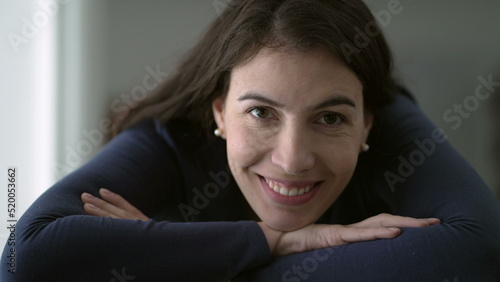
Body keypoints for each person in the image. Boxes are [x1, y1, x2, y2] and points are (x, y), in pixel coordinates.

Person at [2, 0, 499, 281]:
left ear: (370, 123)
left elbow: (475, 253)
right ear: (218, 111)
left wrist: (182, 265)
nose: (292, 159)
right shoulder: (169, 140)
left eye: (329, 118)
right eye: (261, 112)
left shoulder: (386, 113)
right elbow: (28, 260)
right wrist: (276, 241)